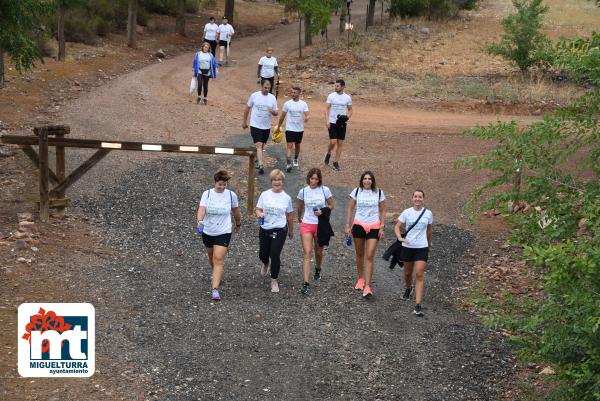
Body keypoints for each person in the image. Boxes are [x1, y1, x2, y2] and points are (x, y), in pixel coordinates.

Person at [196, 170, 242, 301]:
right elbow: (202, 209)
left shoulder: (231, 195)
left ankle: (215, 289)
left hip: (224, 231)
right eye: (220, 184)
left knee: (218, 258)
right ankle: (215, 273)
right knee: (211, 256)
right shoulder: (207, 194)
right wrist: (199, 220)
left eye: (224, 185)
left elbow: (236, 211)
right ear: (215, 182)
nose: (222, 187)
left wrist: (238, 224)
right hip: (208, 231)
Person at [344, 171, 385, 298]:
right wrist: (347, 225)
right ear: (362, 180)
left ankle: (367, 286)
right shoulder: (356, 192)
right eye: (365, 179)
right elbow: (350, 209)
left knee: (370, 255)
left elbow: (383, 210)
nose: (367, 181)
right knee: (360, 254)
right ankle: (360, 278)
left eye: (369, 179)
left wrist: (382, 227)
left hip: (374, 226)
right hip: (358, 225)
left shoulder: (378, 193)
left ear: (372, 181)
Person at [394, 189, 433, 316]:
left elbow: (429, 230)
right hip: (407, 246)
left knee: (420, 274)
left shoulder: (428, 213)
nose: (417, 199)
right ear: (412, 198)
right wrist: (400, 238)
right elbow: (397, 227)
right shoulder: (407, 212)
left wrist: (429, 244)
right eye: (415, 196)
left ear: (423, 199)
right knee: (407, 272)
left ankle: (418, 305)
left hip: (422, 247)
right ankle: (408, 287)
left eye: (420, 197)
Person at [256, 169, 294, 293]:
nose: (277, 182)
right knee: (263, 253)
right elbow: (258, 209)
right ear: (271, 181)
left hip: (280, 228)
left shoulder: (286, 198)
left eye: (279, 180)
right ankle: (265, 263)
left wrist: (291, 230)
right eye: (274, 180)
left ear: (283, 182)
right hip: (265, 228)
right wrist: (259, 214)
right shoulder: (264, 195)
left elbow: (290, 215)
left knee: (275, 253)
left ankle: (274, 280)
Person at [297, 168, 334, 295]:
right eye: (312, 178)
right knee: (307, 252)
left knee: (318, 251)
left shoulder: (325, 190)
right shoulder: (303, 191)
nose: (313, 181)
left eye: (316, 179)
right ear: (308, 178)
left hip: (320, 225)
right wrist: (299, 218)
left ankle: (318, 269)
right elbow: (300, 206)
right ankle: (306, 283)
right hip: (306, 223)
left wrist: (322, 211)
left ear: (319, 180)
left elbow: (331, 205)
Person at [242, 80, 278, 175]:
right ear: (261, 86)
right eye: (265, 87)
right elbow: (247, 108)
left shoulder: (272, 98)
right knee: (258, 145)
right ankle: (261, 165)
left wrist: (273, 111)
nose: (267, 89)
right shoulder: (254, 96)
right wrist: (244, 122)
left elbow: (276, 112)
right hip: (255, 124)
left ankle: (258, 160)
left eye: (268, 88)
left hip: (266, 126)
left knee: (262, 145)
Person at [275, 86, 309, 172]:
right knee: (289, 145)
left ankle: (296, 159)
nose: (293, 94)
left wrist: (307, 118)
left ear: (299, 94)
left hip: (299, 129)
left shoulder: (303, 104)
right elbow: (282, 116)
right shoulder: (287, 104)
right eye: (292, 92)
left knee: (297, 145)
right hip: (290, 128)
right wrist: (279, 127)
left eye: (295, 93)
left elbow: (307, 114)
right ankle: (288, 164)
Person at [324, 79, 352, 171]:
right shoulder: (331, 96)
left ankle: (336, 162)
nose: (336, 87)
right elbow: (327, 109)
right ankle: (328, 152)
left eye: (338, 86)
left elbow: (350, 110)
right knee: (333, 142)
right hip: (332, 122)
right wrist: (327, 121)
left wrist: (347, 117)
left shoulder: (347, 97)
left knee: (340, 143)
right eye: (335, 86)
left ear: (343, 87)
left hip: (342, 124)